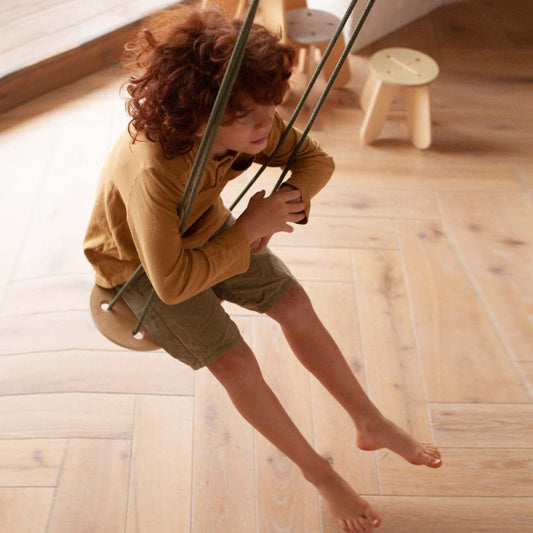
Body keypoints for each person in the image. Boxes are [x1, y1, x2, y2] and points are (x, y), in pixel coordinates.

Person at [83, 6, 442, 533]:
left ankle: (370, 421)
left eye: (270, 108)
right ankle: (320, 474)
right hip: (139, 271)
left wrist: (283, 205)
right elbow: (173, 281)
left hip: (208, 233)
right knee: (238, 363)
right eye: (249, 114)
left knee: (294, 303)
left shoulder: (246, 124)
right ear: (198, 113)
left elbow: (317, 160)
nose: (265, 124)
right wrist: (251, 225)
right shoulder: (155, 168)